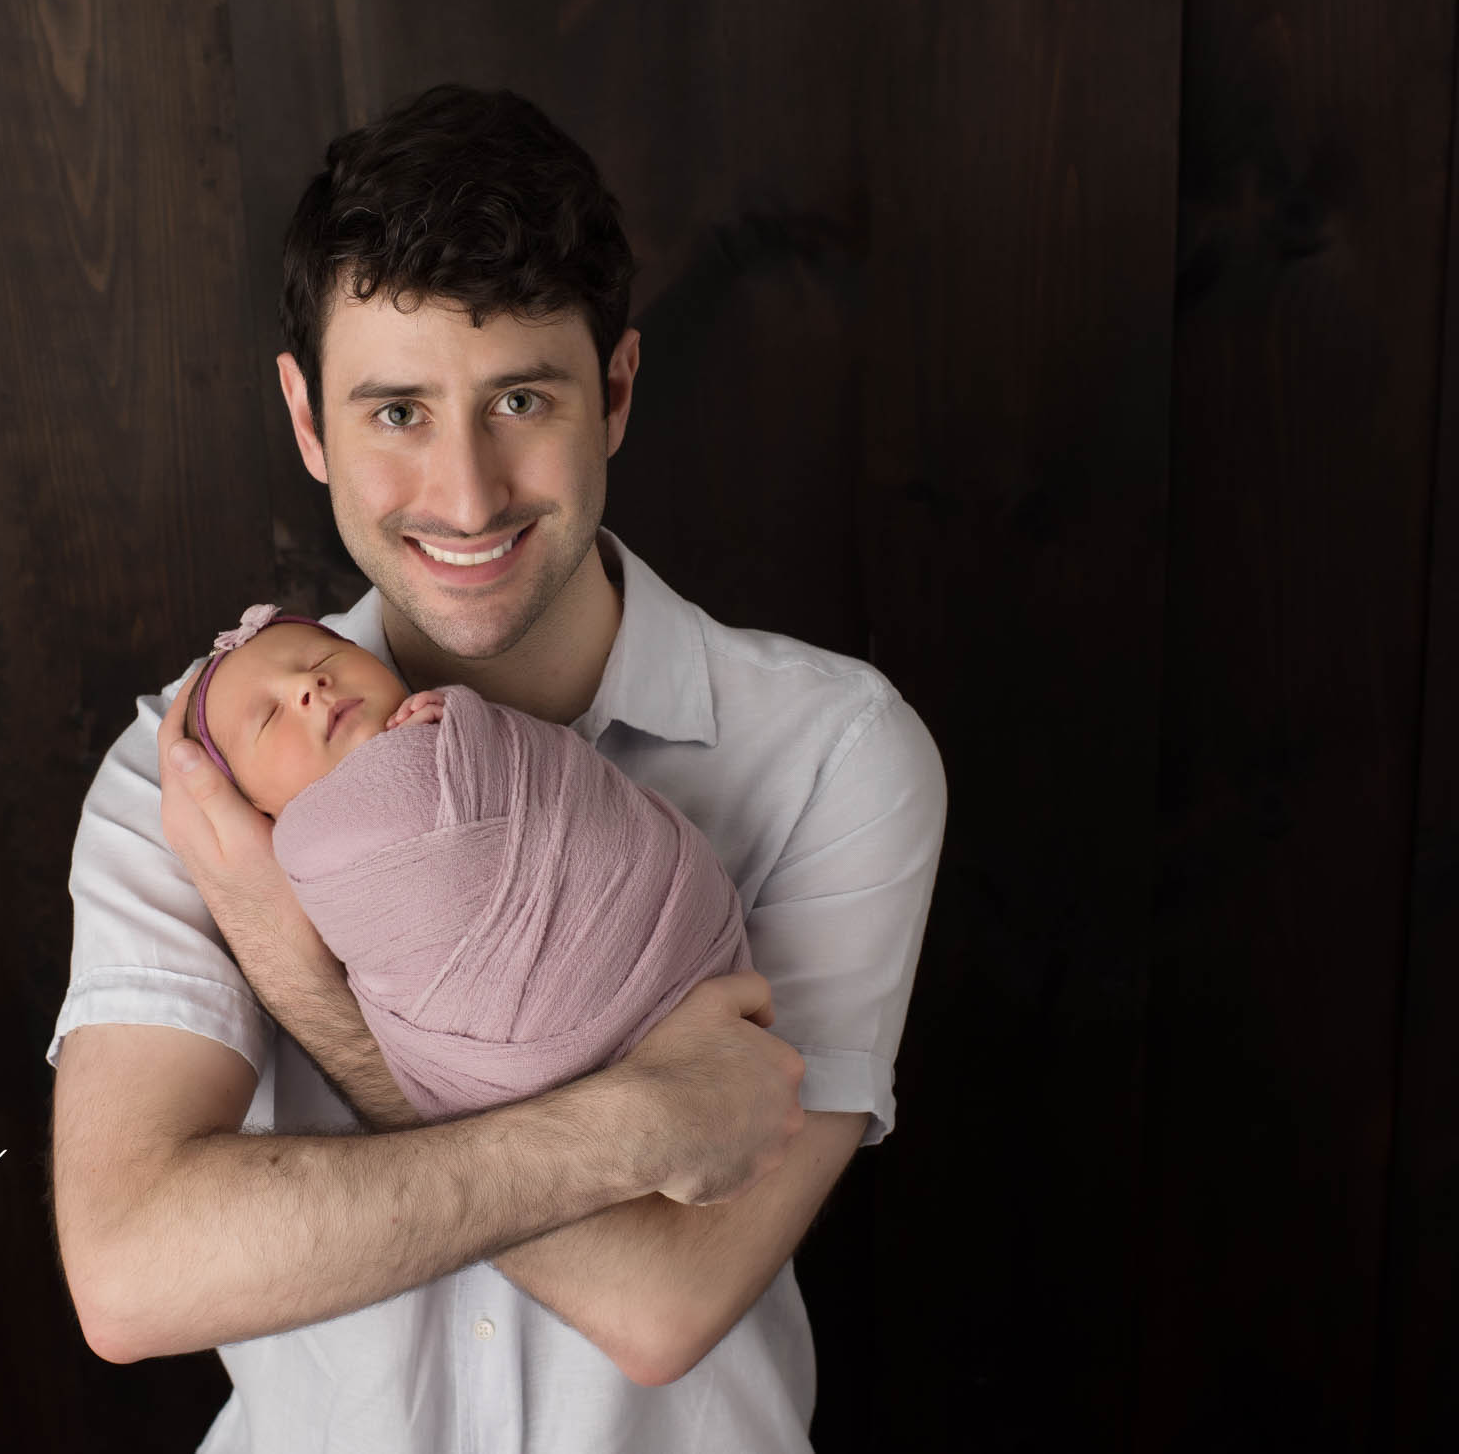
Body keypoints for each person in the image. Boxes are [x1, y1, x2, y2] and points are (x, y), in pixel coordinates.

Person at [47, 83, 948, 1453]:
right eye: (395, 412)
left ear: (617, 391)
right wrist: (631, 1126)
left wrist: (309, 982)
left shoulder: (833, 755)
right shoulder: (191, 772)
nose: (466, 497)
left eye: (520, 398)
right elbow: (129, 1274)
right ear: (306, 420)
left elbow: (664, 1301)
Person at [171, 602, 756, 1123]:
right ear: (255, 808)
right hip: (531, 1053)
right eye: (268, 717)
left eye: (324, 658)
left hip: (679, 929)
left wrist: (463, 728)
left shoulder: (464, 725)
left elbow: (557, 778)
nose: (309, 685)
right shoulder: (306, 847)